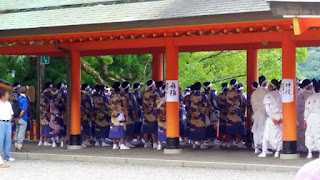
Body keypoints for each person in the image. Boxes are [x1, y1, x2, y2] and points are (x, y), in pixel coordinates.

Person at [258, 79, 282, 158]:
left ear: (272, 86)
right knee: (280, 135)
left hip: (272, 118)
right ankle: (277, 152)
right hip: (281, 117)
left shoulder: (268, 96)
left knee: (266, 135)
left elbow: (267, 109)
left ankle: (264, 152)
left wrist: (273, 118)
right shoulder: (281, 95)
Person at [251, 76, 269, 153]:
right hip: (263, 113)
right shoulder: (266, 92)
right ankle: (263, 147)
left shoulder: (254, 92)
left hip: (256, 113)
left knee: (256, 129)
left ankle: (256, 148)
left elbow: (252, 103)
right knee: (263, 129)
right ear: (265, 83)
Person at [109, 82, 130, 150]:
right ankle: (121, 144)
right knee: (121, 128)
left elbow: (110, 105)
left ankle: (114, 144)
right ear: (120, 87)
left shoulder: (112, 95)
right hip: (120, 114)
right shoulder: (122, 95)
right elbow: (125, 106)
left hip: (113, 114)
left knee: (113, 128)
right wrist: (127, 116)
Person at [226, 79, 246, 148]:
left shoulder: (228, 92)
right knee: (238, 127)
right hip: (237, 111)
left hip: (229, 111)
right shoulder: (239, 92)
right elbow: (242, 102)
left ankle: (228, 142)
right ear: (236, 84)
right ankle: (238, 142)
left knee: (229, 126)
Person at [189, 82, 210, 149]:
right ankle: (201, 144)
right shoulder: (203, 95)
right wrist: (207, 114)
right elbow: (207, 105)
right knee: (201, 128)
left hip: (193, 114)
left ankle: (194, 143)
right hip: (201, 114)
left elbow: (187, 104)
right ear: (200, 87)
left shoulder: (191, 96)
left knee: (193, 128)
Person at [297, 79, 314, 152]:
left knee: (300, 131)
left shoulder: (299, 93)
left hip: (300, 115)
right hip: (307, 115)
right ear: (308, 86)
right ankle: (306, 146)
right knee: (307, 131)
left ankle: (300, 146)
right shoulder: (310, 94)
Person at [304, 82, 320, 159]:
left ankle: (309, 152)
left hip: (310, 117)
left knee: (309, 134)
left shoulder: (310, 97)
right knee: (318, 134)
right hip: (318, 117)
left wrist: (305, 120)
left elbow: (306, 111)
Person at [142, 80, 159, 148]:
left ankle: (146, 143)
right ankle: (154, 143)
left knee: (146, 128)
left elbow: (143, 104)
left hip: (146, 112)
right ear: (152, 85)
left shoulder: (145, 93)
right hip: (153, 113)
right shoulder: (155, 94)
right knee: (153, 128)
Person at [0, 89, 15, 162]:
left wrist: (10, 119)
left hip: (8, 122)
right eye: (7, 94)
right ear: (3, 95)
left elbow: (11, 113)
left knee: (8, 139)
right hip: (1, 122)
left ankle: (7, 156)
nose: (8, 95)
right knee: (0, 139)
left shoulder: (8, 103)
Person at [121, 82, 137, 148]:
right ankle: (128, 141)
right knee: (130, 127)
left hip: (121, 114)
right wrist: (135, 113)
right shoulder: (131, 95)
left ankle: (124, 141)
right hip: (129, 113)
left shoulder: (120, 95)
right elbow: (134, 105)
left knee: (123, 128)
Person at [203, 82, 218, 147]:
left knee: (206, 125)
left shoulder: (202, 94)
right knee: (213, 125)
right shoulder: (212, 94)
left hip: (204, 112)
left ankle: (207, 139)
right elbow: (214, 103)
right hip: (211, 111)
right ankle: (212, 140)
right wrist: (217, 108)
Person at [14, 86, 28, 152]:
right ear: (26, 92)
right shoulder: (24, 99)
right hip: (22, 118)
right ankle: (19, 146)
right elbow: (23, 110)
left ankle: (16, 145)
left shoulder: (18, 98)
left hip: (16, 116)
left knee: (17, 131)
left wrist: (16, 117)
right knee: (21, 132)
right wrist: (19, 117)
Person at [217, 83, 229, 147]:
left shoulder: (219, 96)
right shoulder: (230, 94)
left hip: (222, 113)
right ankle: (228, 141)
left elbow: (217, 105)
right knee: (228, 127)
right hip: (230, 114)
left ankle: (221, 141)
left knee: (222, 127)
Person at [156, 84, 166, 150]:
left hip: (167, 116)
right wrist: (161, 102)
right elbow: (157, 107)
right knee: (160, 130)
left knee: (166, 130)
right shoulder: (158, 99)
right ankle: (159, 144)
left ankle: (166, 142)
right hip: (161, 117)